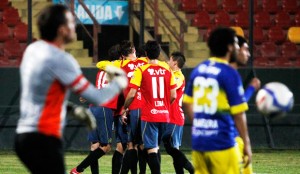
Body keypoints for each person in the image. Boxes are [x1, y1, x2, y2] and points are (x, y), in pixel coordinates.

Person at [14, 4, 127, 174]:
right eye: (71, 22)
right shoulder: (62, 59)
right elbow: (96, 97)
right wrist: (119, 82)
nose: (75, 25)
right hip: (44, 137)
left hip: (23, 135)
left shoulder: (32, 49)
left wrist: (69, 108)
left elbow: (40, 93)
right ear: (61, 30)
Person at [183, 27, 252, 174]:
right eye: (236, 44)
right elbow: (239, 113)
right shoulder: (229, 72)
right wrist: (246, 144)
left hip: (199, 143)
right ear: (229, 47)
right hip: (222, 144)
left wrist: (200, 124)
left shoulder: (199, 69)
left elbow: (187, 101)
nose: (238, 47)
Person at [123, 41, 177, 174]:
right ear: (159, 53)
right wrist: (164, 106)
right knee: (156, 148)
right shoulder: (167, 69)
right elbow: (174, 95)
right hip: (164, 115)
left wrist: (125, 108)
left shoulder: (141, 70)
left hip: (149, 115)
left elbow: (132, 94)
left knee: (151, 149)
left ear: (146, 54)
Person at [70, 45, 122, 174]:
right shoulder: (119, 70)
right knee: (106, 146)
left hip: (93, 108)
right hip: (105, 109)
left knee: (94, 146)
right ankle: (78, 170)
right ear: (121, 57)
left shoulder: (101, 71)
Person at [230, 35, 261, 174]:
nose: (248, 54)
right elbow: (238, 108)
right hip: (228, 140)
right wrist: (251, 88)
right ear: (235, 49)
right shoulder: (228, 75)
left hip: (233, 138)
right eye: (245, 49)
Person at [163, 52, 194, 174]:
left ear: (175, 63)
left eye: (169, 60)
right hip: (169, 116)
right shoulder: (171, 74)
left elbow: (170, 89)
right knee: (171, 148)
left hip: (175, 116)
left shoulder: (178, 76)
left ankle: (191, 169)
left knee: (173, 148)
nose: (167, 62)